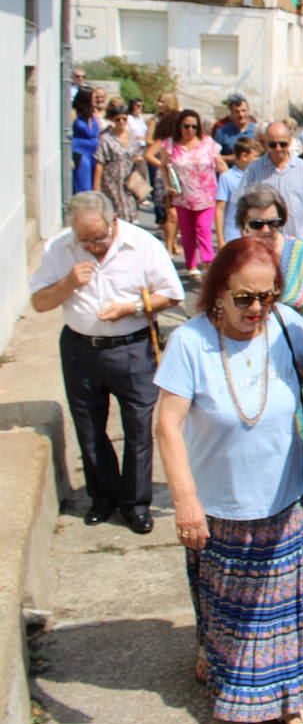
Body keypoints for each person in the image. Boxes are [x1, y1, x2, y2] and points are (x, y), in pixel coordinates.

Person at [152, 238, 303, 724]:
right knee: (226, 612)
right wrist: (185, 502)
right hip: (218, 507)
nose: (257, 309)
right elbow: (167, 425)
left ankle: (288, 698)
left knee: (280, 616)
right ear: (219, 292)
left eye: (267, 297)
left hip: (282, 502)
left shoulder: (289, 327)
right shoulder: (191, 342)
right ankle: (226, 675)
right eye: (245, 298)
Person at [30, 192, 183, 532]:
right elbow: (39, 302)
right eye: (84, 241)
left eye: (99, 238)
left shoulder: (141, 244)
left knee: (139, 428)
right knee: (89, 427)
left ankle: (136, 503)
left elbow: (172, 293)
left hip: (131, 347)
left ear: (114, 223)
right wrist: (68, 283)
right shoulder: (59, 248)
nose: (93, 247)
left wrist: (131, 309)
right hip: (80, 349)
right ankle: (103, 497)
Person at [147, 109, 226, 278]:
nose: (190, 130)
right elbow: (163, 166)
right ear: (180, 127)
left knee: (203, 228)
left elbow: (220, 165)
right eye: (186, 126)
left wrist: (228, 182)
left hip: (206, 196)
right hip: (182, 196)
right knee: (187, 232)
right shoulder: (171, 144)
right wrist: (168, 186)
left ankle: (207, 262)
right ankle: (191, 264)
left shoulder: (208, 143)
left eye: (194, 126)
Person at [236, 185, 303, 321]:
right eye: (257, 224)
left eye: (273, 223)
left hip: (297, 334)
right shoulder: (237, 256)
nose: (266, 230)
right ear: (244, 224)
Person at [233, 122, 303, 249]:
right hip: (265, 246)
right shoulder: (254, 169)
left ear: (290, 141)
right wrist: (246, 237)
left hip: (298, 243)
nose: (278, 148)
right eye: (273, 144)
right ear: (265, 143)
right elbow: (241, 206)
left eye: (283, 144)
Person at [92, 103, 141, 222]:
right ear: (112, 120)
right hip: (112, 182)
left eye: (124, 118)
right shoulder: (106, 138)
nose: (121, 122)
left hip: (128, 181)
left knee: (130, 213)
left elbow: (138, 157)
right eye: (118, 119)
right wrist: (97, 189)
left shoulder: (133, 137)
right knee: (115, 216)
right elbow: (100, 164)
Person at [149, 92, 183, 258]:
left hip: (177, 179)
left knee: (177, 216)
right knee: (171, 215)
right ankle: (168, 247)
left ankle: (173, 243)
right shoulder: (165, 139)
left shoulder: (179, 141)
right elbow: (149, 155)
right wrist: (164, 166)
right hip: (165, 179)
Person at [214, 137, 262, 248]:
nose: (259, 159)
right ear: (244, 156)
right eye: (255, 156)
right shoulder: (227, 177)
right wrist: (220, 240)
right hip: (233, 235)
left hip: (255, 233)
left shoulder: (259, 176)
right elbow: (219, 210)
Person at [71, 88, 101, 194]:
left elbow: (99, 130)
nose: (96, 100)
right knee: (84, 184)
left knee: (95, 183)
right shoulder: (74, 113)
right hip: (80, 152)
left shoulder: (93, 113)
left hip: (94, 152)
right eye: (93, 97)